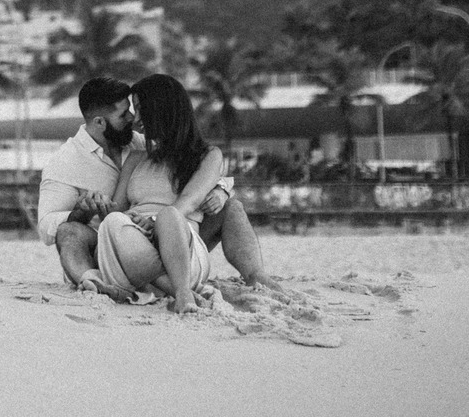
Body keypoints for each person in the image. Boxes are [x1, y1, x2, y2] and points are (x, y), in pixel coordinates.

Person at [37, 73, 284, 296]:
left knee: (229, 206)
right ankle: (95, 280)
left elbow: (195, 186)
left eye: (137, 110)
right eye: (125, 114)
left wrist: (221, 189)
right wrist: (86, 210)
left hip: (175, 234)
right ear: (100, 122)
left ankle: (255, 276)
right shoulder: (67, 161)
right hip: (122, 241)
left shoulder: (140, 143)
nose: (134, 120)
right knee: (79, 229)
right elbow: (53, 224)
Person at [91, 73, 221, 313]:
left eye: (141, 110)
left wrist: (153, 221)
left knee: (170, 215)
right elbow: (116, 209)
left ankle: (181, 291)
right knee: (112, 222)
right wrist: (96, 202)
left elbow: (189, 202)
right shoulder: (136, 158)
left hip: (183, 248)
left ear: (162, 111)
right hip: (135, 245)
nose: (136, 120)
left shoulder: (208, 156)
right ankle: (170, 288)